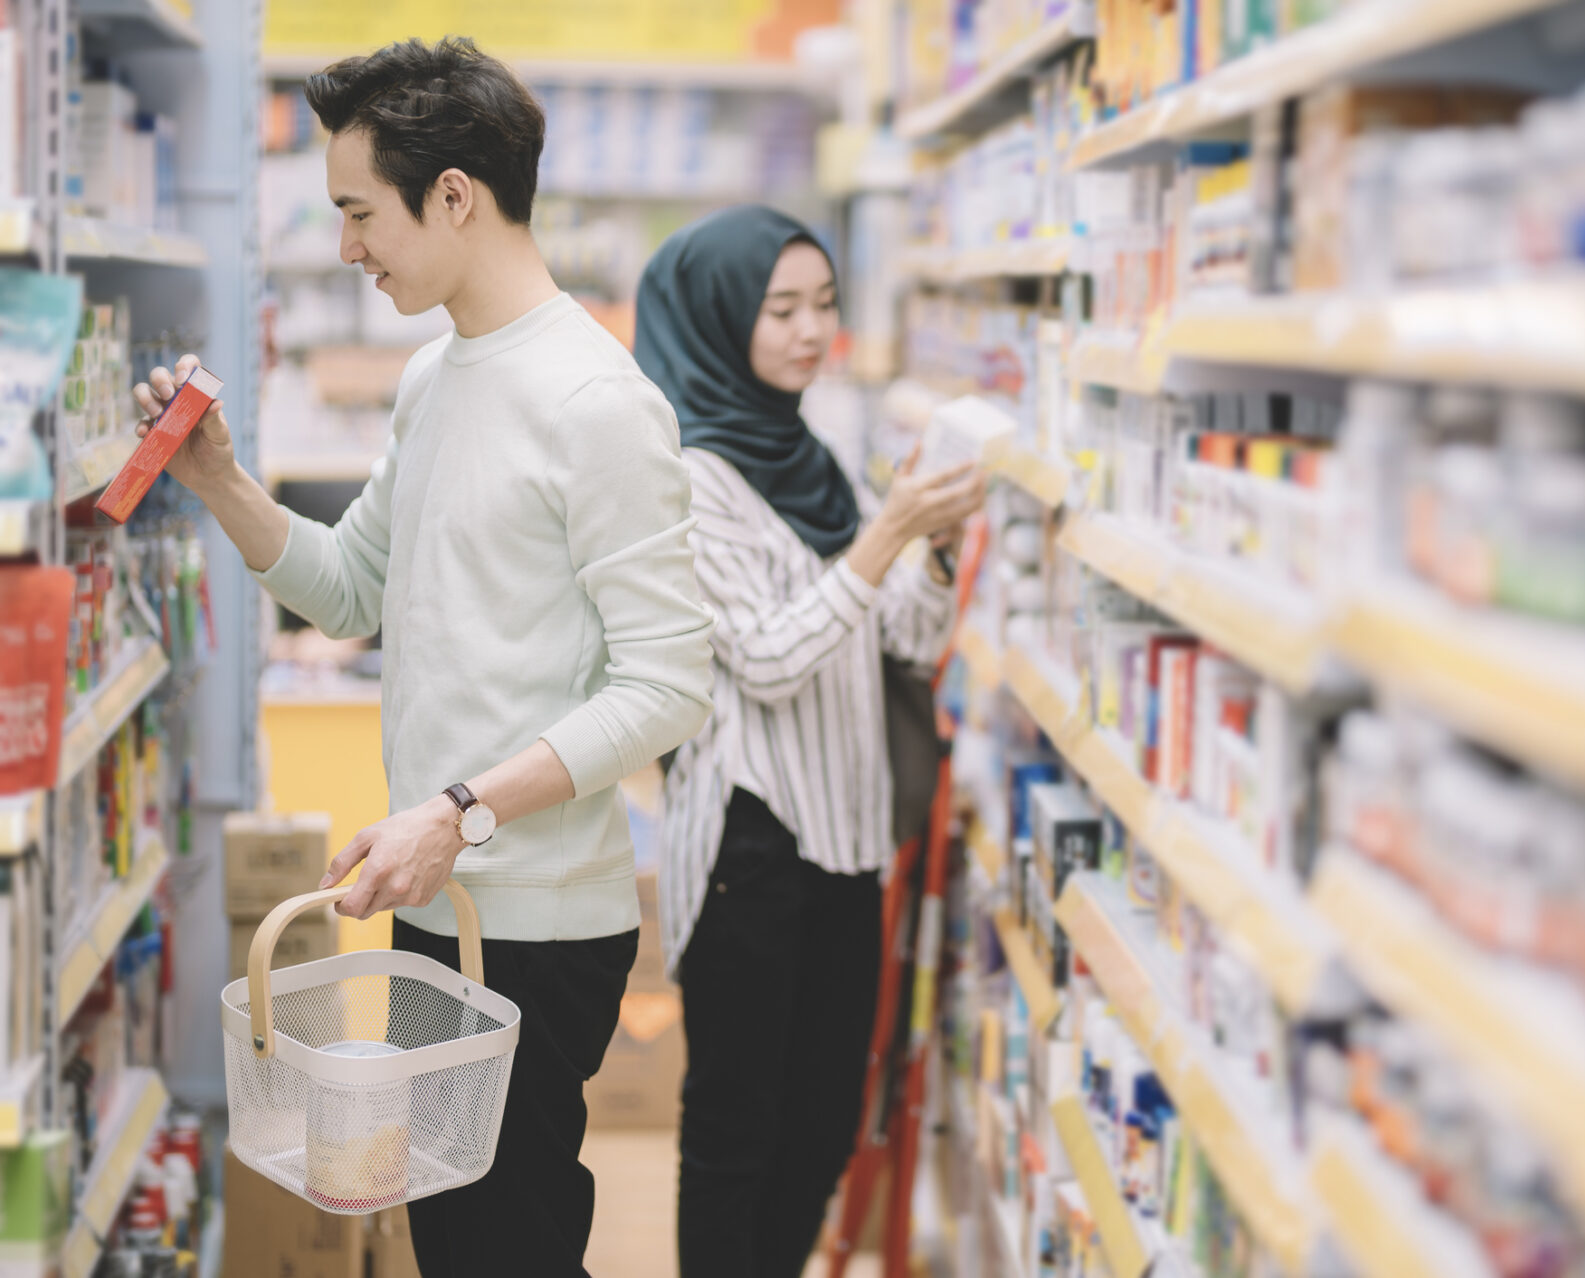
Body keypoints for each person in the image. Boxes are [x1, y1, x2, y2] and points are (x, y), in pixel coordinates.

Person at [134, 37, 714, 1278]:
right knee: (452, 1237)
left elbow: (669, 683)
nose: (348, 245)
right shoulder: (434, 376)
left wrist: (460, 810)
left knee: (505, 1243)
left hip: (537, 919)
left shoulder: (598, 403)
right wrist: (221, 478)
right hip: (435, 892)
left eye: (359, 211)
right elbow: (349, 589)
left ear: (454, 194)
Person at [637, 205, 987, 1278]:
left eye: (824, 304)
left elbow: (909, 645)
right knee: (737, 1132)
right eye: (779, 308)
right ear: (717, 317)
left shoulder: (818, 458)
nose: (809, 330)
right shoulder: (689, 479)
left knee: (827, 1121)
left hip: (848, 834)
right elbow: (771, 659)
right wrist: (882, 539)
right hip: (753, 840)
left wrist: (931, 549)